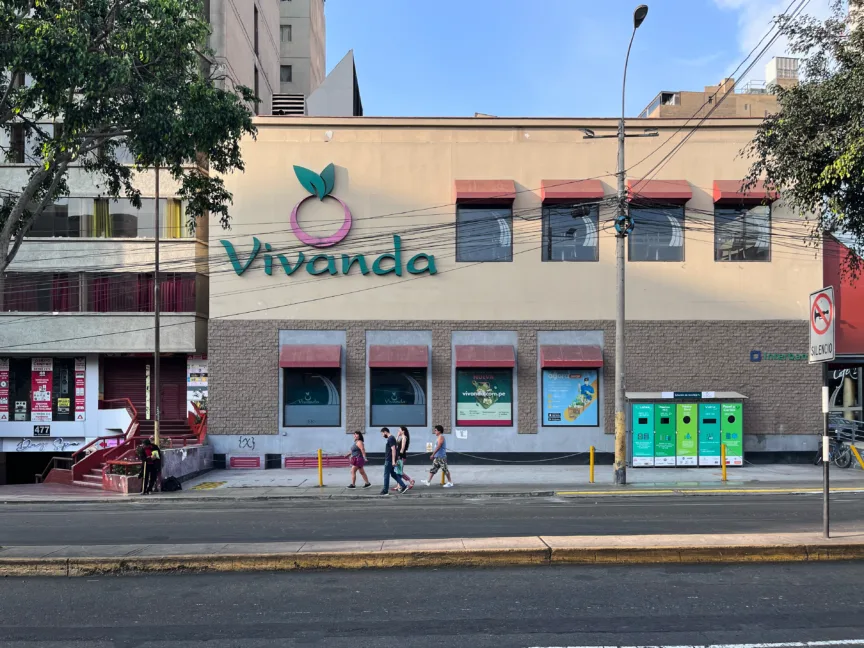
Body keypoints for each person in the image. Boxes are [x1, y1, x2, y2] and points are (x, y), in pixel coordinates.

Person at [380, 427, 408, 495]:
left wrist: (393, 461)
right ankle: (403, 486)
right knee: (393, 474)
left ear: (385, 432)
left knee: (386, 475)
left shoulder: (390, 438)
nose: (382, 435)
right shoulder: (392, 438)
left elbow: (393, 450)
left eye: (382, 434)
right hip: (390, 459)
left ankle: (385, 490)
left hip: (389, 460)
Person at [396, 426, 416, 490]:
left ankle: (410, 480)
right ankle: (399, 485)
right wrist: (397, 436)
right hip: (399, 456)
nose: (398, 431)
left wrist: (399, 456)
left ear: (403, 431)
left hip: (401, 456)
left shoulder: (404, 438)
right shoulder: (401, 437)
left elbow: (402, 448)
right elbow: (395, 444)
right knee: (398, 471)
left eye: (399, 430)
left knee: (399, 472)